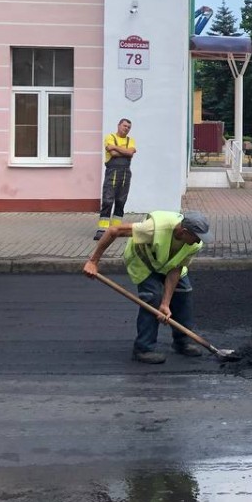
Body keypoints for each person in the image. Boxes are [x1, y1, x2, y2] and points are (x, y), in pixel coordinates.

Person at [83, 210, 212, 363]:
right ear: (184, 232)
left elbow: (176, 269)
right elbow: (114, 230)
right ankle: (143, 349)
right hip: (143, 261)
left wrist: (166, 304)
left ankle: (182, 342)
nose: (198, 242)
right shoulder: (153, 228)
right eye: (196, 237)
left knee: (184, 291)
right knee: (152, 297)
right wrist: (93, 262)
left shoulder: (194, 245)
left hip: (168, 264)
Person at [96, 118, 136, 239]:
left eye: (129, 127)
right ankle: (102, 230)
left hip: (125, 174)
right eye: (124, 126)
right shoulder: (110, 137)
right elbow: (113, 154)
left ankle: (116, 230)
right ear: (118, 125)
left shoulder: (131, 140)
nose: (126, 128)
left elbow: (130, 153)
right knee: (108, 200)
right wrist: (126, 151)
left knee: (120, 201)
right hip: (112, 172)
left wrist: (116, 148)